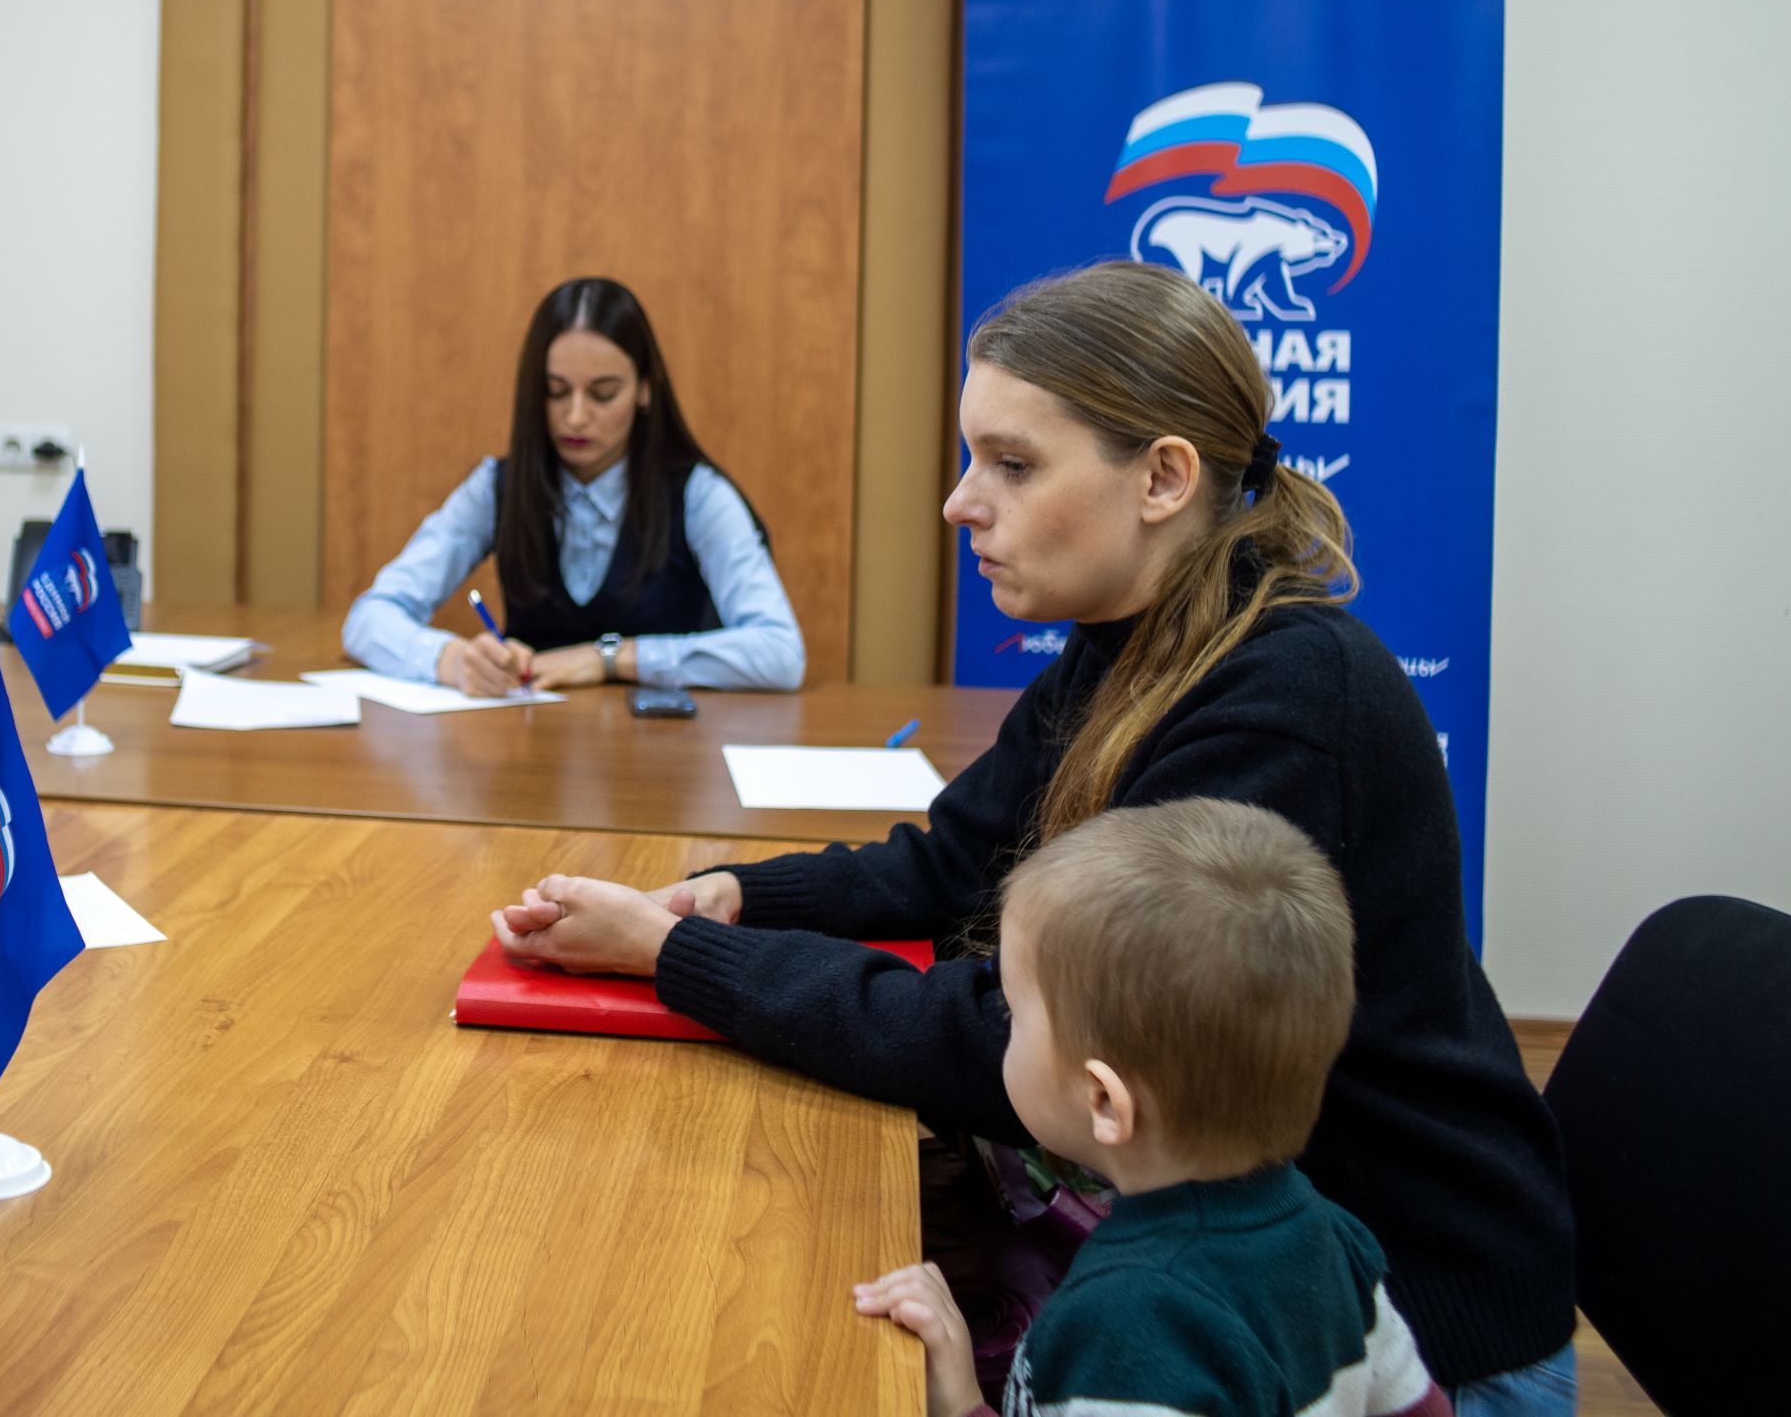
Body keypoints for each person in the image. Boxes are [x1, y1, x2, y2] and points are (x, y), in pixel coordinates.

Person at [489, 262, 1579, 1411]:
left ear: (1163, 477)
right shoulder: (1134, 633)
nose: (961, 502)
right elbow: (949, 861)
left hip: (1384, 1340)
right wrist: (735, 897)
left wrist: (677, 958)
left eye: (1011, 464)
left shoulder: (1284, 705)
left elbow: (1028, 1045)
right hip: (1215, 1277)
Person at [857, 799, 1450, 1417]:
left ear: (1104, 1101)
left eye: (1013, 1011)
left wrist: (960, 1403)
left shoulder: (1130, 1336)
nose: (1005, 1026)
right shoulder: (1338, 1242)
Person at [342, 276, 803, 695]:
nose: (576, 417)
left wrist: (609, 659)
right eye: (556, 391)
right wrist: (453, 661)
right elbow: (369, 617)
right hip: (527, 742)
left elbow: (781, 654)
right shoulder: (497, 488)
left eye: (603, 394)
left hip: (662, 747)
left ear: (645, 389)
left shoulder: (699, 496)